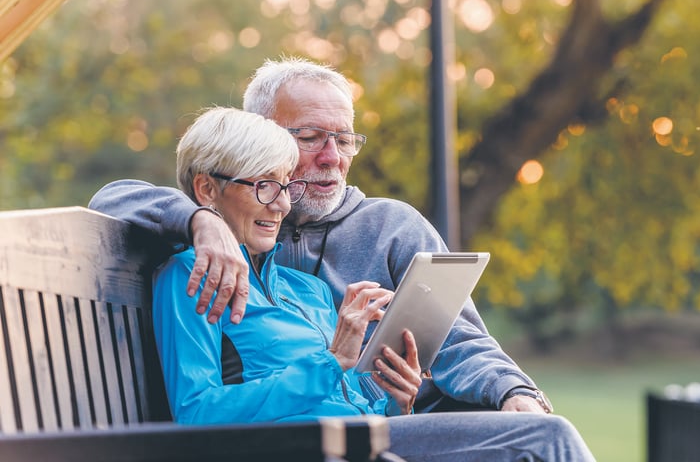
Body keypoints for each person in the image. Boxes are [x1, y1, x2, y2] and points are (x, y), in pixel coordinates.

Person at [89, 56, 550, 414]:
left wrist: (512, 392)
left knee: (538, 433)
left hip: (401, 424)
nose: (332, 157)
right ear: (263, 141)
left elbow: (459, 339)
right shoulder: (230, 217)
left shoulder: (390, 228)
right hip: (312, 442)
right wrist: (200, 221)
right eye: (310, 137)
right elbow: (114, 197)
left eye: (344, 139)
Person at [155, 105, 595, 461]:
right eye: (265, 187)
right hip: (308, 449)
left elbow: (357, 394)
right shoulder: (188, 277)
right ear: (207, 190)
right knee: (543, 439)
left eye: (286, 187)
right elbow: (196, 415)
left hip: (370, 439)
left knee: (531, 433)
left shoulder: (301, 288)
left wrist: (394, 398)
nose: (280, 206)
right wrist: (331, 362)